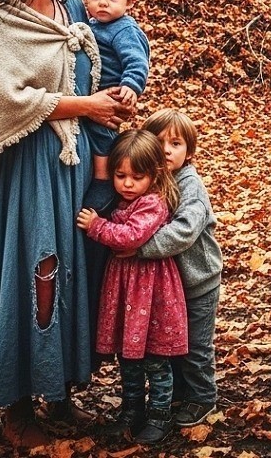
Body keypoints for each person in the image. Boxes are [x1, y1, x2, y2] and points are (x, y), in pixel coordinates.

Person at [0, 0, 134, 448]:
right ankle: (16, 402)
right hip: (31, 163)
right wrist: (86, 106)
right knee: (39, 268)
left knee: (76, 263)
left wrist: (122, 94)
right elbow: (3, 96)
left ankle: (59, 391)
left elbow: (114, 49)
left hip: (78, 160)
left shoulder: (73, 5)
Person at [78, 130, 188, 444]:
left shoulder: (152, 202)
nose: (127, 183)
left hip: (150, 290)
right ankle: (131, 411)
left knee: (155, 358)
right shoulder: (124, 199)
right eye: (120, 175)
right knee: (129, 359)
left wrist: (97, 226)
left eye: (136, 176)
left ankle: (159, 415)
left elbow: (130, 236)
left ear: (154, 174)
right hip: (125, 289)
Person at [138, 109, 223, 426]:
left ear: (189, 151)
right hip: (168, 285)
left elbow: (184, 231)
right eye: (159, 142)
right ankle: (176, 395)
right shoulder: (150, 181)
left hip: (198, 281)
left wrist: (141, 248)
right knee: (171, 342)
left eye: (175, 143)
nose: (166, 149)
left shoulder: (190, 186)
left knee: (195, 347)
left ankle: (202, 398)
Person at [82, 0, 150, 206]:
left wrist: (131, 85)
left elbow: (137, 61)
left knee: (102, 141)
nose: (102, 3)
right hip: (89, 96)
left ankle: (102, 187)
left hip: (109, 97)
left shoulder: (124, 29)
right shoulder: (91, 25)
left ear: (129, 1)